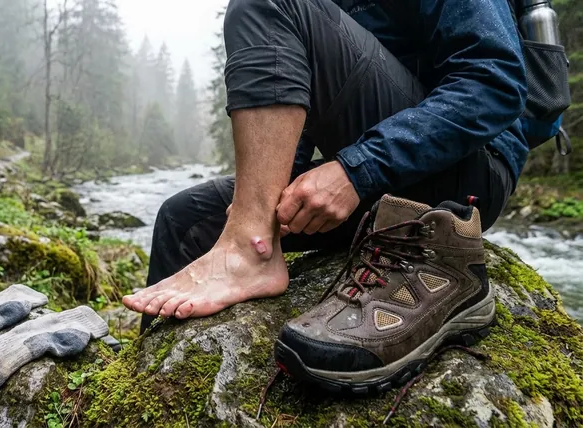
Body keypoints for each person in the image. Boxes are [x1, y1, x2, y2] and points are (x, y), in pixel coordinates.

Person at [123, 0, 526, 390]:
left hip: (469, 166)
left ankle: (250, 253)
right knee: (185, 219)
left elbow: (494, 81)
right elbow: (300, 79)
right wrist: (264, 193)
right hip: (382, 173)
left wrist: (357, 169)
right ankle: (149, 389)